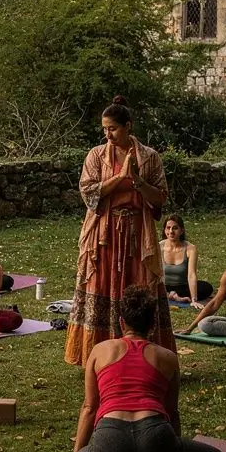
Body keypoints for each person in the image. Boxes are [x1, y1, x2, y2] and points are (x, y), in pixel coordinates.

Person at [66, 285, 226, 452]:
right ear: (152, 325)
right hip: (156, 437)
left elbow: (89, 408)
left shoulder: (100, 350)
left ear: (122, 322)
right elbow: (172, 413)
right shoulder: (168, 357)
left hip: (111, 441)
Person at [65, 96, 174, 367]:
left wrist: (137, 181)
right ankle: (98, 356)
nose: (107, 134)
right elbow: (88, 191)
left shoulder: (149, 157)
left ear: (128, 126)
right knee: (101, 284)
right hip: (104, 233)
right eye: (104, 129)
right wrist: (119, 176)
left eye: (112, 128)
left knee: (139, 286)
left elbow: (160, 197)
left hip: (138, 233)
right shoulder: (96, 155)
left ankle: (144, 355)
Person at [161, 215, 213, 307]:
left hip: (183, 286)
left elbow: (191, 274)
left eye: (175, 228)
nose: (171, 232)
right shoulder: (159, 247)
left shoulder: (190, 248)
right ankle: (170, 295)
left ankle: (173, 295)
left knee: (206, 287)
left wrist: (194, 299)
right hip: (163, 286)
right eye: (168, 228)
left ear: (182, 230)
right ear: (164, 230)